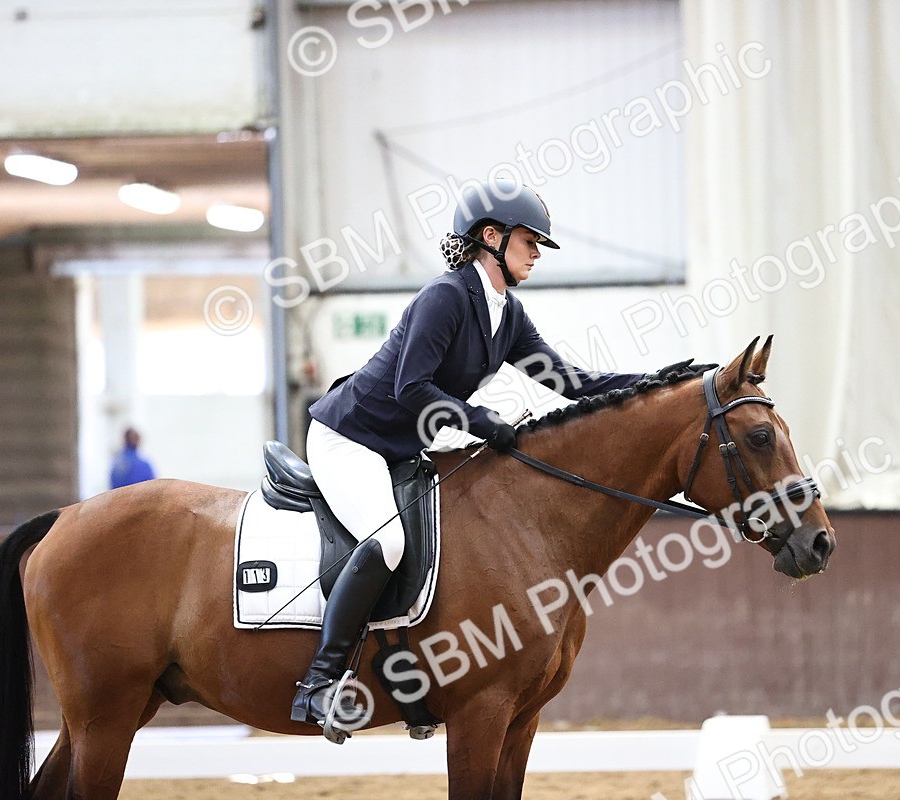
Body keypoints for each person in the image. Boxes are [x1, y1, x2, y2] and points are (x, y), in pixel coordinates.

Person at [292, 180, 699, 730]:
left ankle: (412, 685)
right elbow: (411, 388)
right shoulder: (445, 298)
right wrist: (481, 421)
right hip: (350, 438)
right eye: (530, 241)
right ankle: (319, 683)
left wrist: (654, 383)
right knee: (387, 542)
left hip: (401, 449)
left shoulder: (507, 315)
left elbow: (570, 382)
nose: (537, 253)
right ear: (491, 236)